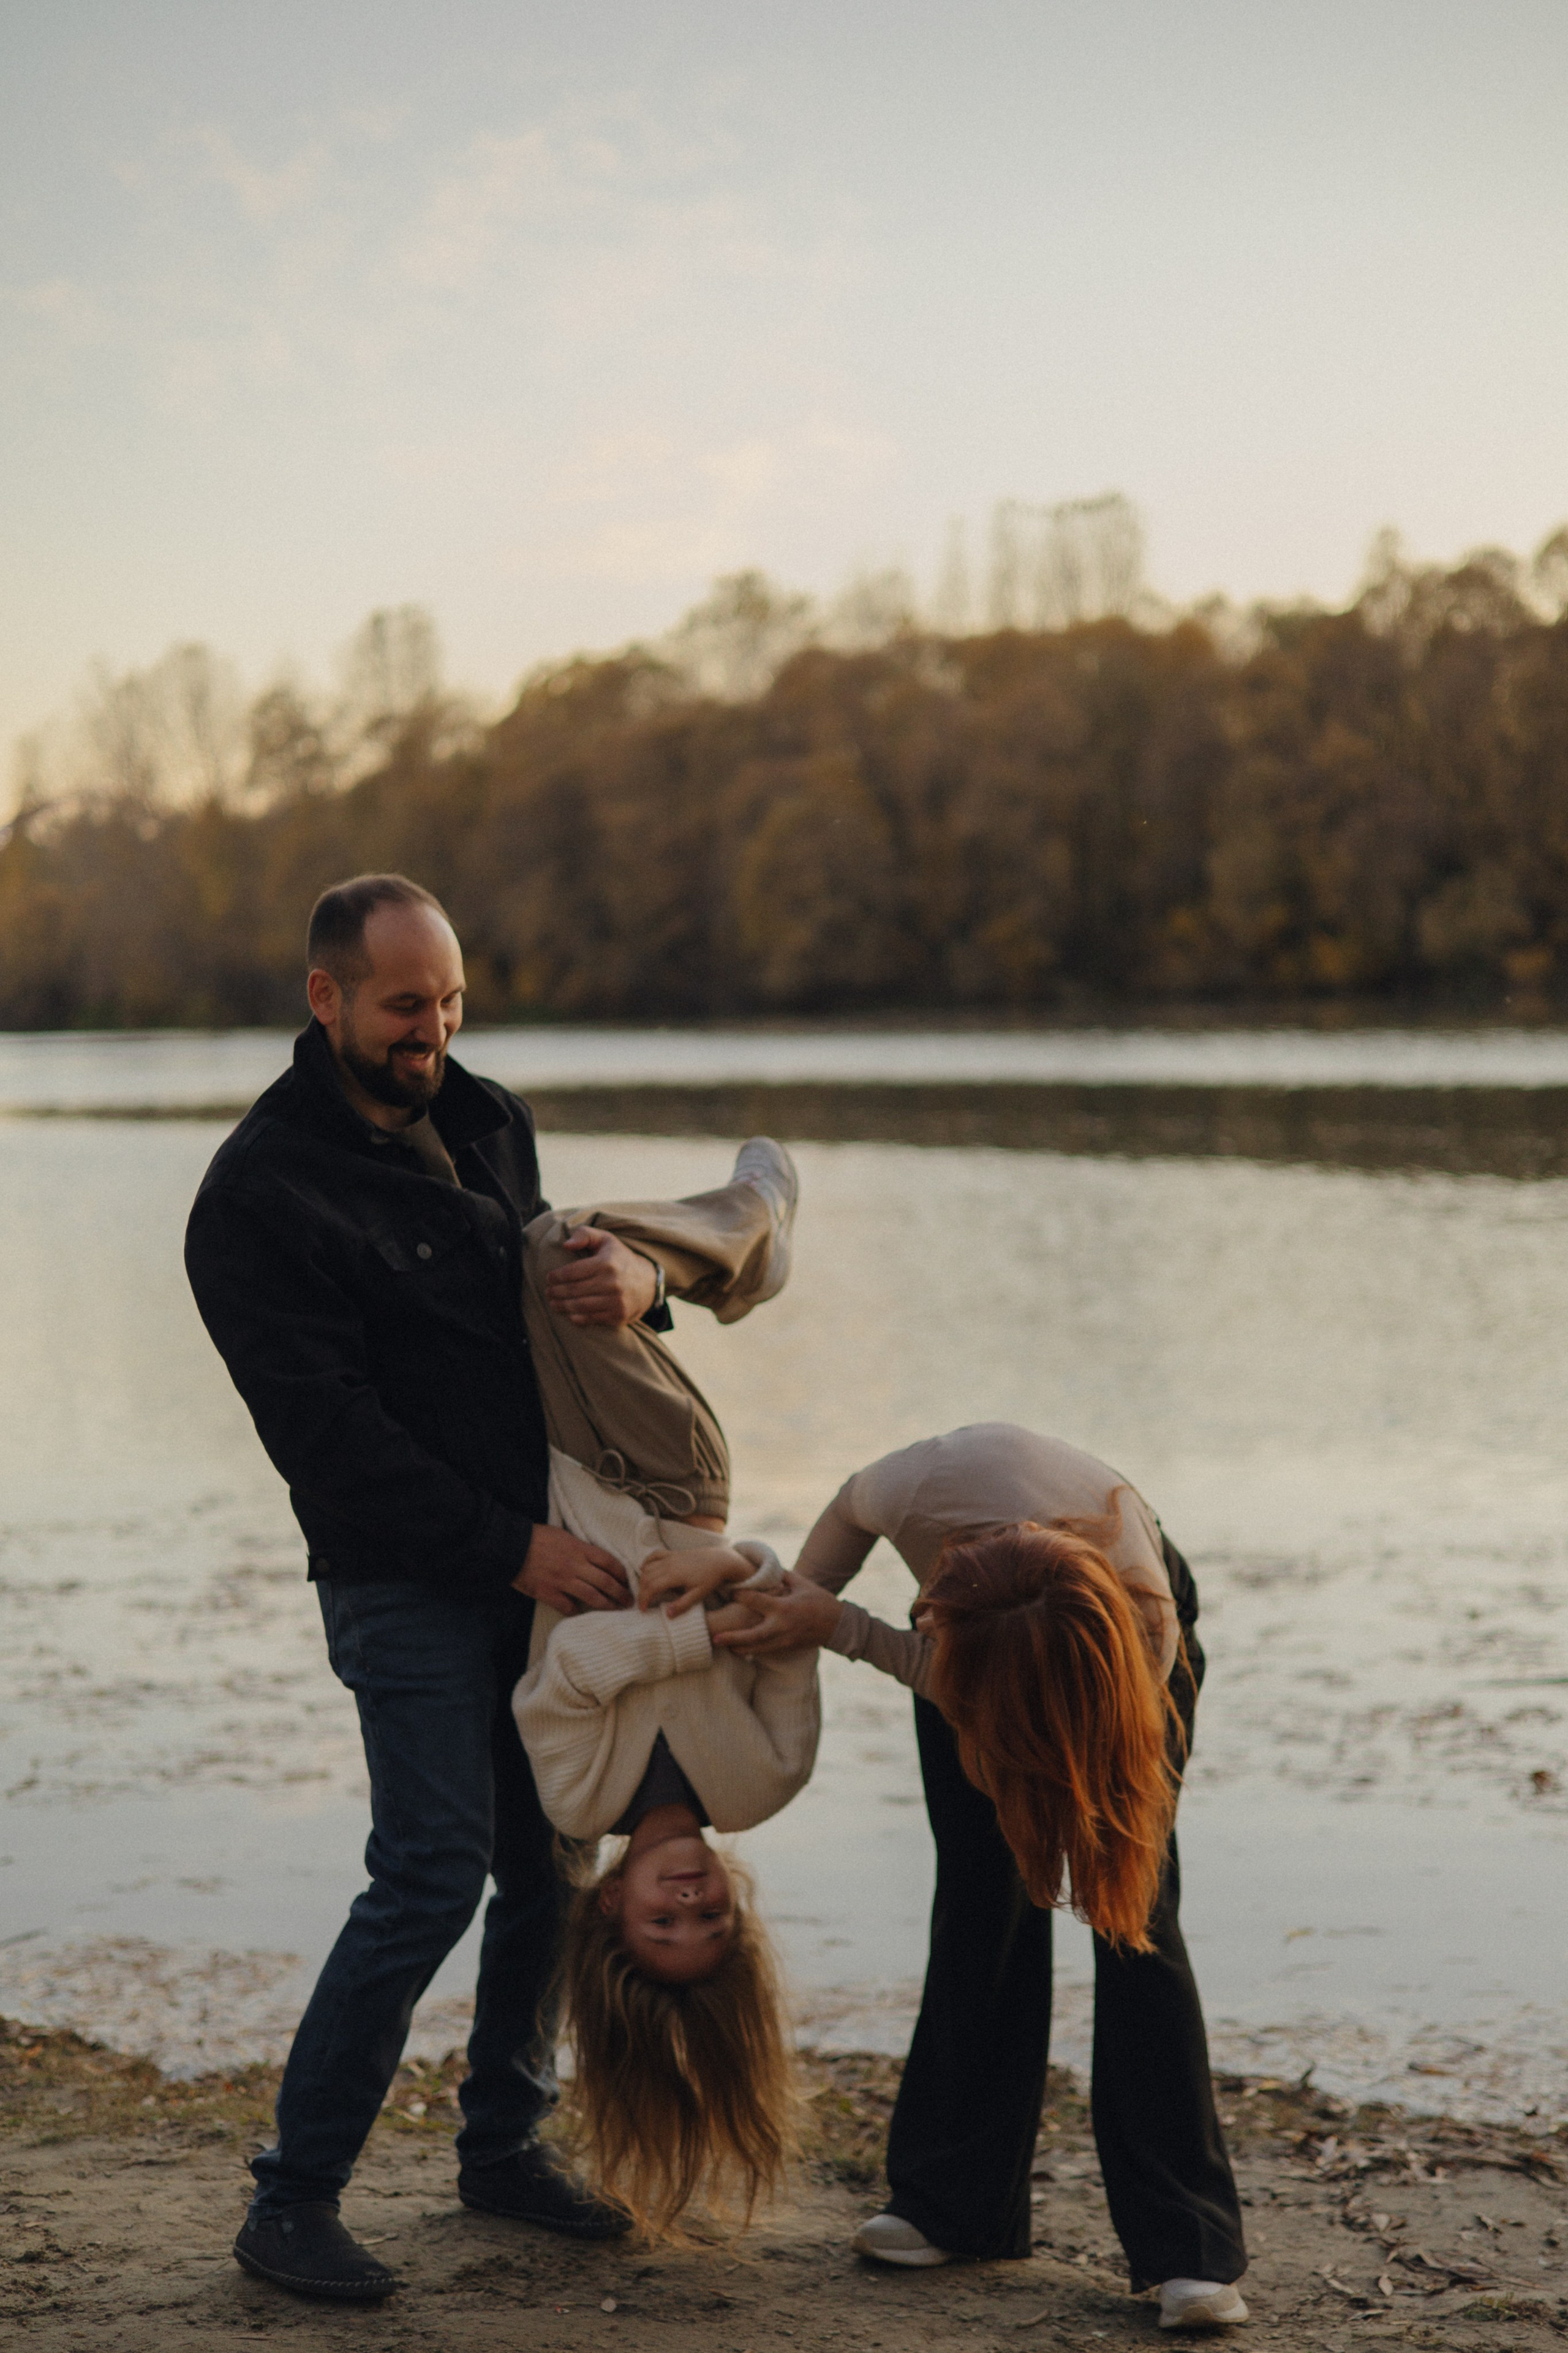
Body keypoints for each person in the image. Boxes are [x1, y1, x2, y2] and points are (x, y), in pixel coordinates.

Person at [182, 873, 788, 2304]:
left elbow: (537, 1330)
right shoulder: (254, 1199)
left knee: (551, 1860)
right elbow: (329, 1444)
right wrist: (511, 1550)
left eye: (450, 1003)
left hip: (548, 1560)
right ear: (323, 996)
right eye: (405, 1006)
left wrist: (632, 1285)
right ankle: (293, 2196)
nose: (432, 1033)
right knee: (432, 1865)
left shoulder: (487, 1114)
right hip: (403, 1577)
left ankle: (501, 2144)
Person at [695, 1424, 1250, 2333]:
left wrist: (841, 1629)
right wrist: (805, 1613)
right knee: (981, 1895)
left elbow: (1035, 1703)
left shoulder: (1141, 1631)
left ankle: (1188, 2247)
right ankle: (952, 2204)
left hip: (1096, 1648)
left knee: (1134, 1917)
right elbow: (843, 1561)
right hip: (983, 1633)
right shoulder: (920, 1489)